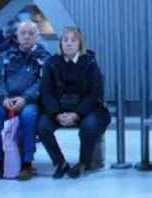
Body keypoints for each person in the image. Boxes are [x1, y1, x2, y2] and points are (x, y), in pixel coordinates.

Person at [38, 27, 112, 179]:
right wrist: (57, 114)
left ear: (80, 44)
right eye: (65, 40)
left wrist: (77, 114)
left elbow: (95, 93)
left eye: (73, 40)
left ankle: (83, 163)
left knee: (89, 126)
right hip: (59, 109)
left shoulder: (89, 62)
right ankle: (60, 162)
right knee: (42, 126)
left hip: (86, 109)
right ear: (60, 44)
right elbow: (46, 92)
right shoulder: (51, 63)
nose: (69, 43)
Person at [0, 20, 50, 181]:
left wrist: (25, 98)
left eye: (31, 33)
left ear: (37, 36)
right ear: (17, 36)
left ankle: (27, 163)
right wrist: (3, 98)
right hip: (5, 101)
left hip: (29, 102)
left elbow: (42, 82)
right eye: (23, 33)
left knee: (28, 117)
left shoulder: (44, 58)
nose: (27, 37)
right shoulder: (4, 56)